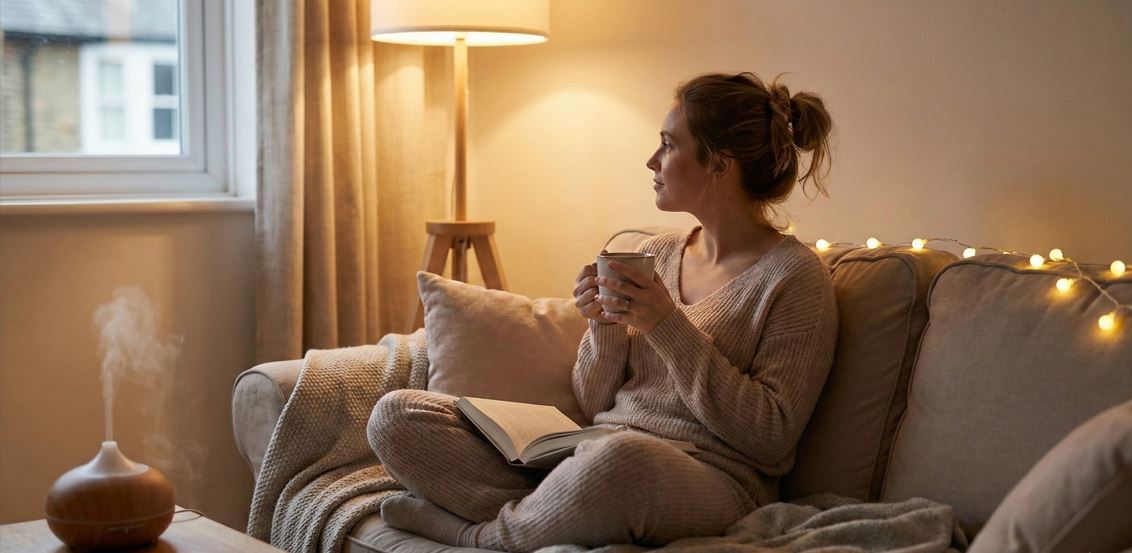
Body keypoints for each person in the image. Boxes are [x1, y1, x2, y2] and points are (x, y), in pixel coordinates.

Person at [369, 72, 839, 552]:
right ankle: (556, 509)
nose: (652, 161)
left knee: (619, 461)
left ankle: (482, 534)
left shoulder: (794, 278)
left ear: (719, 164)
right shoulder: (657, 253)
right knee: (397, 414)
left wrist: (665, 324)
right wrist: (604, 325)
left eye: (669, 145)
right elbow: (594, 405)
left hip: (710, 477)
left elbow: (770, 438)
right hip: (595, 447)